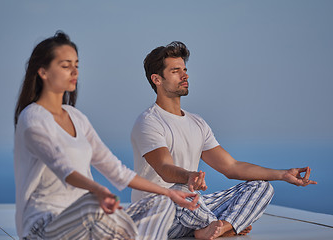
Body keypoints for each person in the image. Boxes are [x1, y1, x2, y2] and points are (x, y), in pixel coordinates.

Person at [14, 32, 200, 240]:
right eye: (66, 66)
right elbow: (62, 167)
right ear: (43, 72)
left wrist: (170, 193)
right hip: (43, 227)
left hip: (87, 223)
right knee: (92, 203)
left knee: (163, 203)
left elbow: (115, 169)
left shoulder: (76, 117)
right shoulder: (32, 118)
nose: (74, 71)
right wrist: (99, 191)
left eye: (77, 64)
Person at [131, 41, 317, 239]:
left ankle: (219, 228)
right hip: (155, 217)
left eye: (184, 69)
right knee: (182, 191)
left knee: (261, 186)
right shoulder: (149, 122)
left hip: (191, 210)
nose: (185, 75)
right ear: (157, 79)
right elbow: (164, 168)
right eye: (175, 71)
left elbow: (231, 166)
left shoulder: (197, 122)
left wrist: (283, 174)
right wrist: (189, 177)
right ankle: (224, 226)